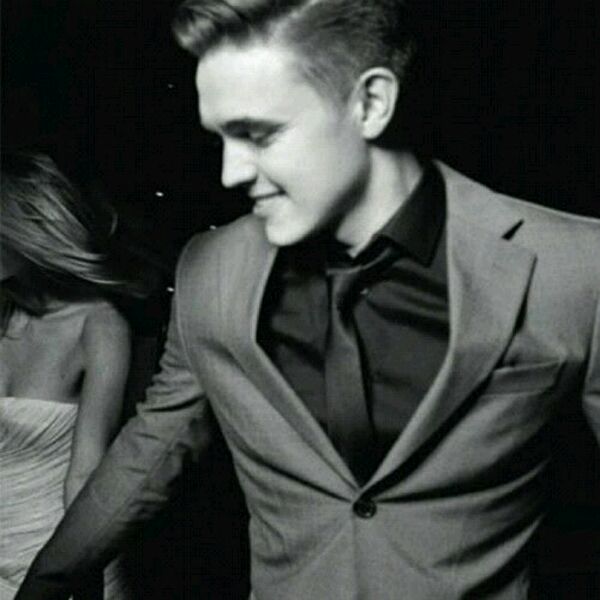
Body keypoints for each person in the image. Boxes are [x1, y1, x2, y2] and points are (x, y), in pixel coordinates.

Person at [16, 1, 600, 598]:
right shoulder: (211, 269)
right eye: (221, 137)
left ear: (371, 104)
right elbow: (150, 453)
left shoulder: (574, 266)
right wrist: (45, 582)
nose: (230, 173)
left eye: (258, 134)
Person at [0, 152, 149, 599]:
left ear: (26, 233)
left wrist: (73, 580)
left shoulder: (100, 325)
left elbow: (85, 476)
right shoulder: (4, 315)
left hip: (53, 554)